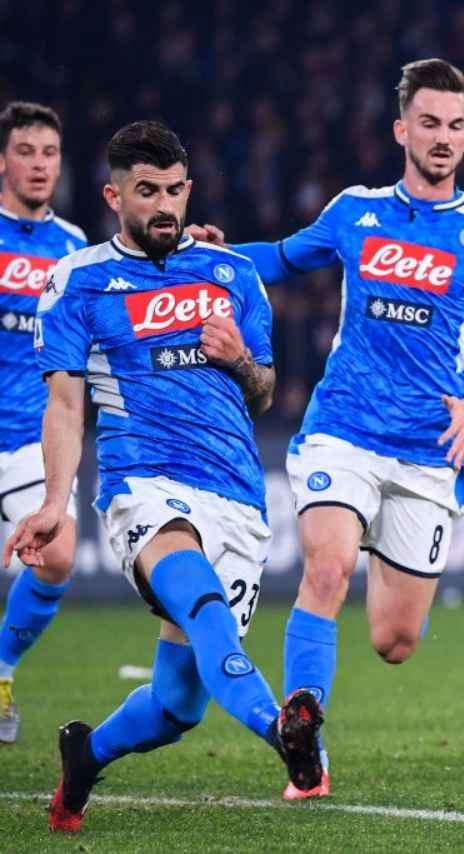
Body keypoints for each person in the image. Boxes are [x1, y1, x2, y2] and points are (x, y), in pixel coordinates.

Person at [188, 58, 464, 800]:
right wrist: (204, 255)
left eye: (455, 125)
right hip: (343, 430)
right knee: (328, 569)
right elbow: (278, 260)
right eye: (429, 123)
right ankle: (303, 730)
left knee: (394, 642)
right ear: (402, 128)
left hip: (428, 451)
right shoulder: (355, 212)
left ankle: (339, 664)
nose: (442, 137)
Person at [3, 120, 324, 832]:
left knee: (178, 704)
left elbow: (265, 390)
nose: (165, 207)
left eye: (175, 191)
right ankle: (285, 734)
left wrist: (241, 359)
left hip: (236, 495)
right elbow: (63, 402)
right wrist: (56, 500)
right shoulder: (79, 280)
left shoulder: (231, 273)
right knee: (203, 604)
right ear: (114, 194)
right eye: (147, 192)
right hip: (141, 483)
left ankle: (85, 755)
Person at [0, 101, 87, 744]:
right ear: (3, 160)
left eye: (48, 153)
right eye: (26, 151)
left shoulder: (75, 248)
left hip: (34, 435)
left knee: (56, 554)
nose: (38, 164)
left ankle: (1, 671)